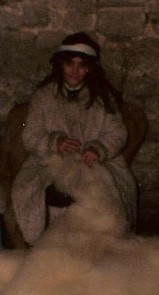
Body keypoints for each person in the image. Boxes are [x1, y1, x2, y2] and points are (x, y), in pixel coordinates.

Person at [10, 32, 137, 244]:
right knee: (48, 193)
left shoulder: (103, 97)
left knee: (101, 195)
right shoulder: (44, 96)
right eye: (70, 64)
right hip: (51, 160)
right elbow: (30, 135)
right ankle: (53, 245)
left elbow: (117, 133)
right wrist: (55, 142)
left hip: (96, 162)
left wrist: (98, 149)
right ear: (61, 64)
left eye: (82, 65)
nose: (75, 71)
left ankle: (98, 246)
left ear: (90, 68)